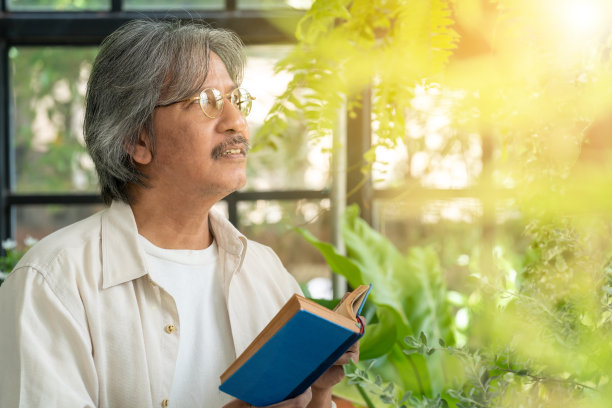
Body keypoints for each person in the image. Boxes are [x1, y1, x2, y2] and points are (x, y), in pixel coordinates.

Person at [0, 19, 358, 408]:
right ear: (138, 139)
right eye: (206, 102)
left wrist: (319, 391)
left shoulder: (265, 271)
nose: (237, 122)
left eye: (236, 101)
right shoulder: (52, 283)